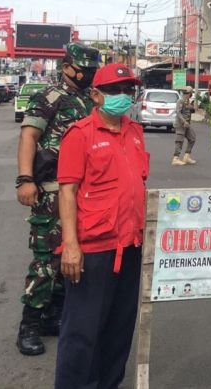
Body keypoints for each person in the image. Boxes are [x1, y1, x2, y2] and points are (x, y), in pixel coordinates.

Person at [55, 63, 149, 389]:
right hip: (93, 250)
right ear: (96, 95)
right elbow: (67, 191)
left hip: (130, 245)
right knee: (82, 332)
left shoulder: (135, 132)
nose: (124, 96)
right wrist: (70, 245)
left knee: (119, 329)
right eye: (115, 90)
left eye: (129, 90)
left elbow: (138, 185)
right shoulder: (80, 135)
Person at [14, 42, 101, 356]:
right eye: (84, 69)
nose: (88, 74)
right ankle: (29, 324)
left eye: (92, 70)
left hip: (83, 193)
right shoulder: (50, 97)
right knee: (48, 261)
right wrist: (25, 179)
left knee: (75, 255)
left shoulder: (91, 100)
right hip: (51, 190)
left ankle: (53, 316)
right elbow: (29, 135)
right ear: (67, 67)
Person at [172, 86, 197, 166]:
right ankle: (175, 158)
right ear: (188, 93)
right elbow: (178, 113)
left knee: (192, 138)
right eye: (191, 93)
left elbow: (190, 111)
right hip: (181, 124)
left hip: (187, 125)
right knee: (179, 141)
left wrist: (192, 108)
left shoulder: (187, 102)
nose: (191, 95)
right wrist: (184, 121)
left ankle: (187, 156)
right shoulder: (180, 101)